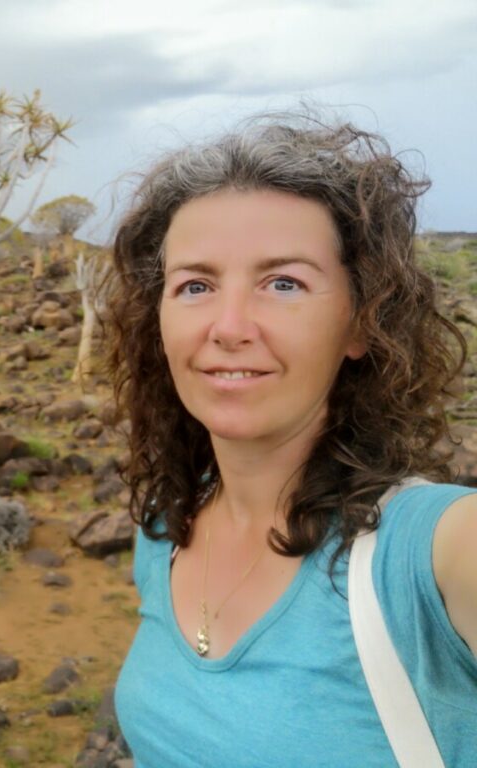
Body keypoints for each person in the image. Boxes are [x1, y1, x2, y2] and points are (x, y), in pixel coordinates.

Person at [104, 115, 477, 766]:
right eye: (195, 285)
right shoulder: (165, 528)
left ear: (361, 323)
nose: (229, 326)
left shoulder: (435, 554)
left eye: (284, 283)